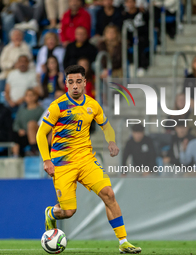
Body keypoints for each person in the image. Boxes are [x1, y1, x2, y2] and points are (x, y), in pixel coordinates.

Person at [36, 65, 142, 253]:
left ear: (85, 83)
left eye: (78, 81)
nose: (75, 86)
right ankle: (51, 212)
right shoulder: (57, 106)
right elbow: (40, 134)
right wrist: (47, 160)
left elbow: (106, 125)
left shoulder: (93, 105)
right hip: (63, 164)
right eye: (71, 82)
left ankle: (123, 241)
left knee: (109, 194)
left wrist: (111, 142)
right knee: (68, 212)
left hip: (86, 159)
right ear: (65, 83)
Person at [0, 29, 34, 93]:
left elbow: (29, 59)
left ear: (22, 37)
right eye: (15, 35)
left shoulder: (26, 47)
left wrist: (18, 48)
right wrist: (12, 65)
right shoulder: (7, 48)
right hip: (9, 71)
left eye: (19, 35)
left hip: (22, 71)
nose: (17, 37)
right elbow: (2, 63)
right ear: (11, 37)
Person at [13, 88, 44, 156]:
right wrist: (19, 130)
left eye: (31, 95)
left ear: (35, 97)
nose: (29, 97)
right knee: (15, 137)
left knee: (31, 124)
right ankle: (15, 157)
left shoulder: (40, 110)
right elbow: (16, 124)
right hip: (24, 135)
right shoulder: (21, 110)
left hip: (36, 134)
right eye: (27, 95)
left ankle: (34, 150)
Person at [123, 0, 150, 75]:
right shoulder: (124, 15)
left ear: (135, 3)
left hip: (141, 37)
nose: (130, 4)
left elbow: (148, 25)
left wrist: (145, 12)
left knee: (139, 43)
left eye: (131, 2)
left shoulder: (141, 12)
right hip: (129, 38)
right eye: (128, 2)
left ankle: (140, 66)